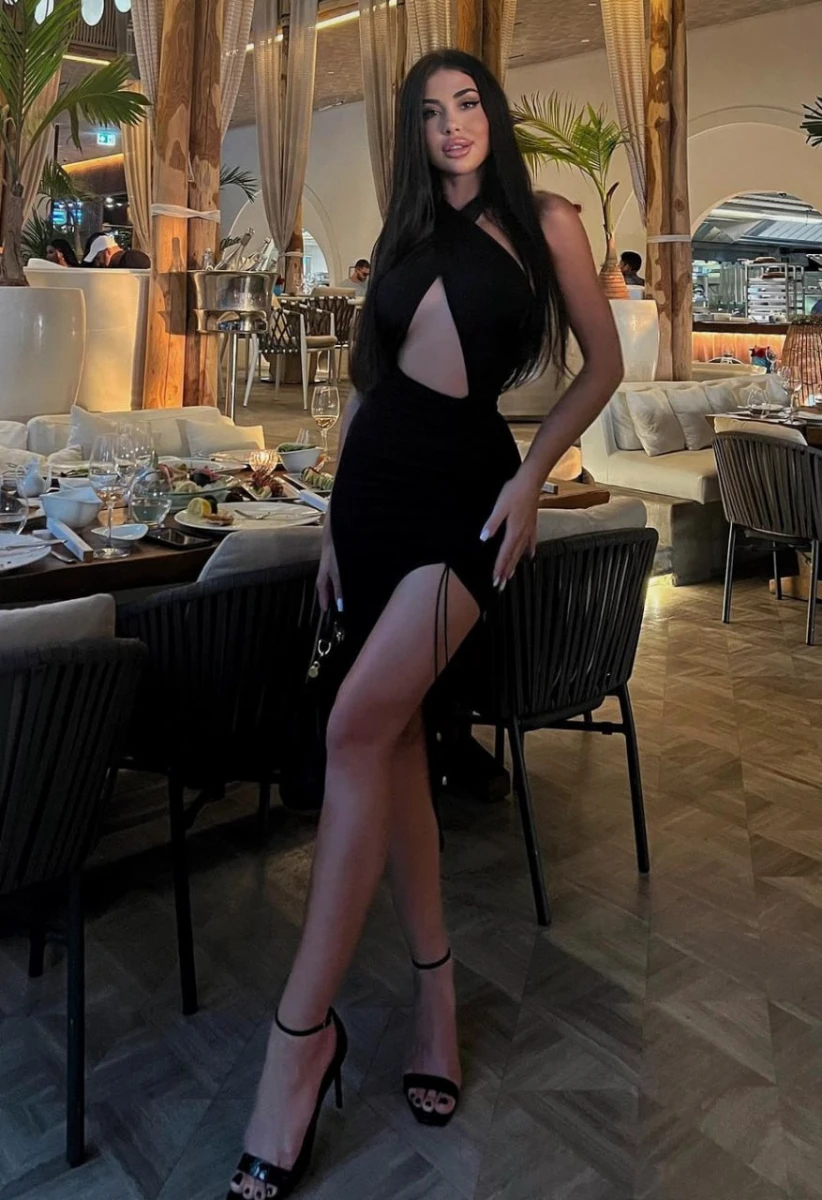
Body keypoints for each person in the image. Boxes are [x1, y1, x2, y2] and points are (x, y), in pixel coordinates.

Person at [226, 48, 622, 1200]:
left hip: (469, 499)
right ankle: (436, 994)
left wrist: (534, 476)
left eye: (466, 104)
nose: (452, 125)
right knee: (389, 735)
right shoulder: (404, 233)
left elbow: (602, 367)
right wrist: (332, 520)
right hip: (373, 496)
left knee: (356, 726)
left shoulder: (550, 223)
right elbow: (366, 381)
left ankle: (300, 1044)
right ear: (415, 133)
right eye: (431, 112)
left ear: (491, 114)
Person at [83, 232, 150, 269]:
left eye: (98, 258)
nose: (97, 264)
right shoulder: (136, 256)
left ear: (108, 252)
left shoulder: (131, 259)